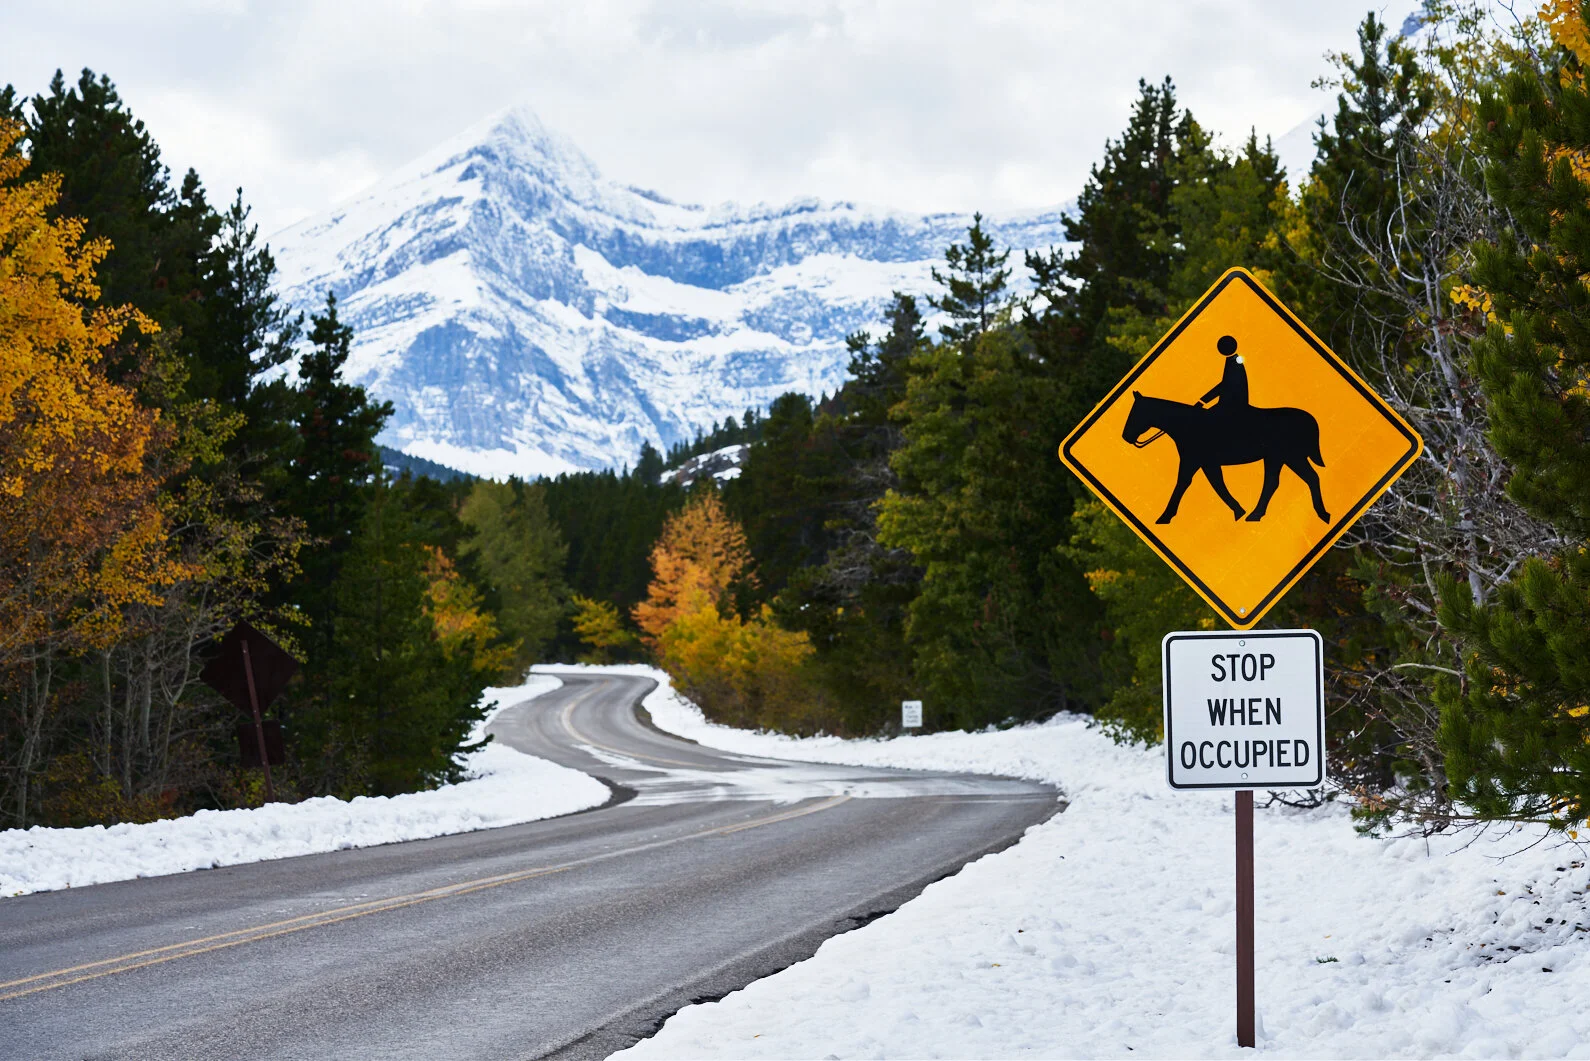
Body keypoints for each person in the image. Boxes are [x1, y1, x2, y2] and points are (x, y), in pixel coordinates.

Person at [1200, 334, 1247, 414]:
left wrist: (1203, 401)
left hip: (1231, 406)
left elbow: (1224, 386)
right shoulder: (1232, 360)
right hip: (1229, 404)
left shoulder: (1235, 363)